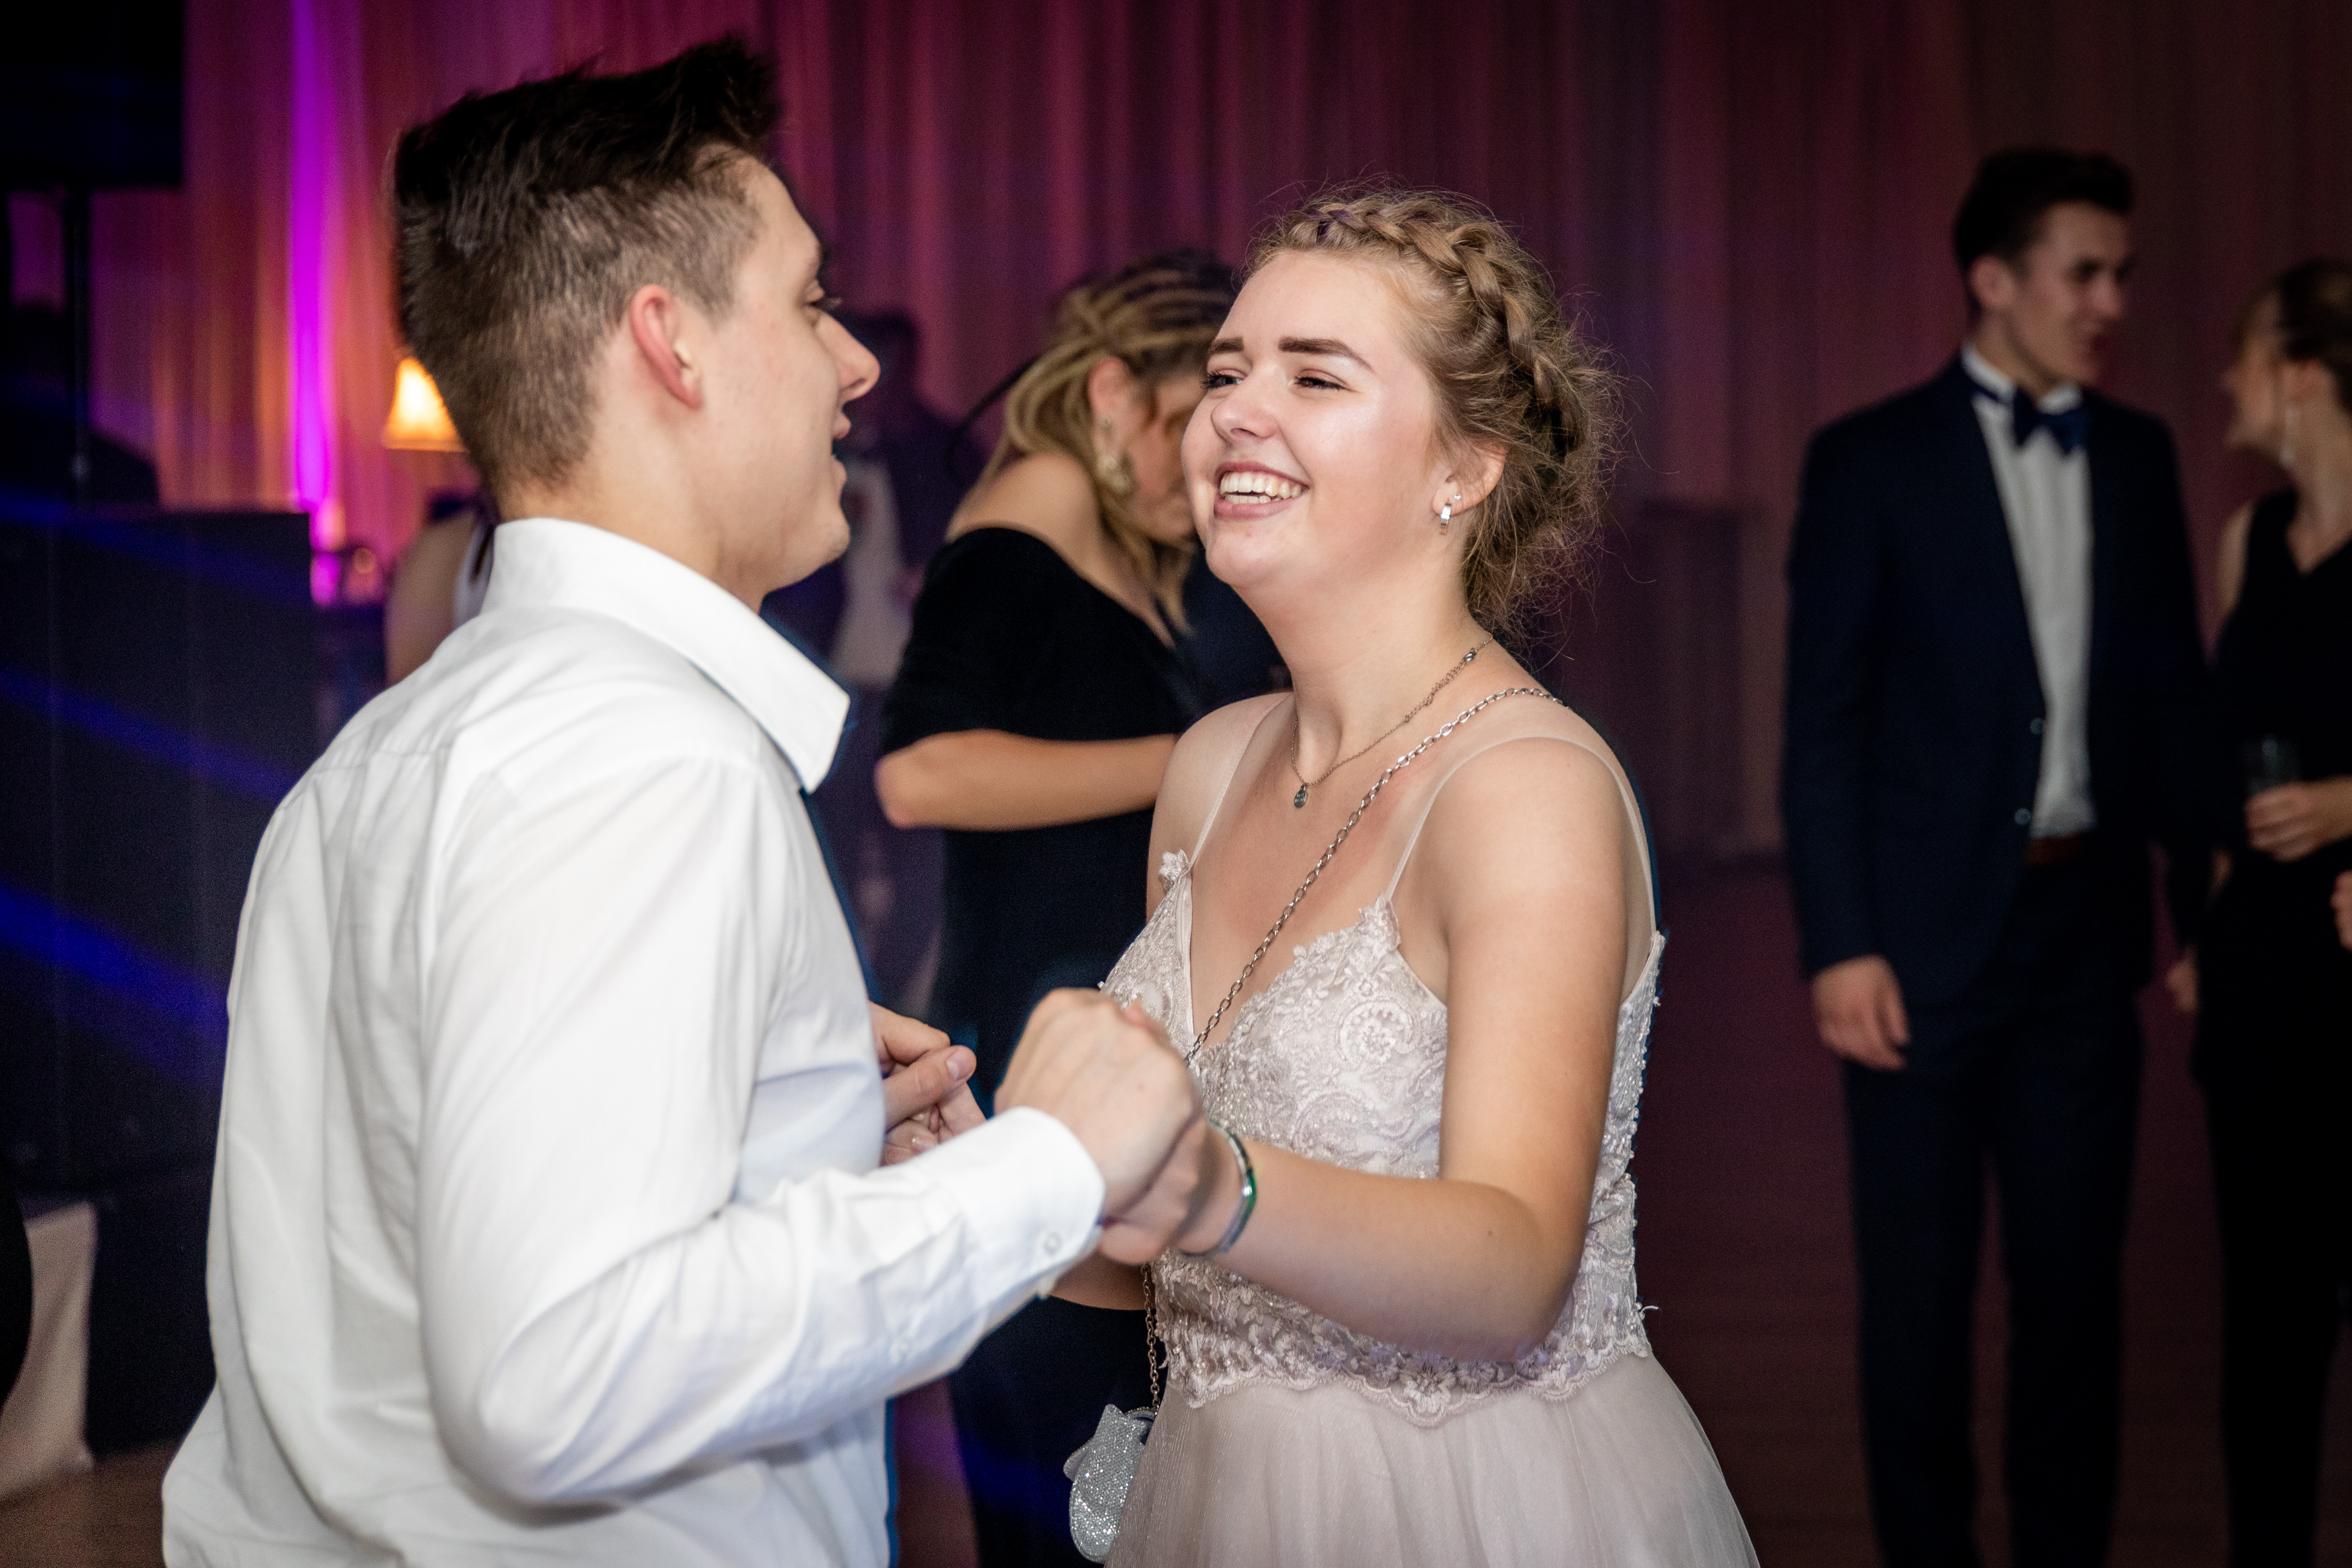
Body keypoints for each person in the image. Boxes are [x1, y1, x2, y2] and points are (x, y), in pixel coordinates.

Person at [159, 42, 1218, 1568]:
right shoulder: (640, 759)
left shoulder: (387, 749)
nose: (856, 364)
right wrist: (1049, 1165)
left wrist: (789, 1149)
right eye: (808, 301)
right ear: (671, 343)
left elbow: (419, 1246)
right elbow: (558, 1370)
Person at [1098, 187, 1756, 1565]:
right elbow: (1169, 1254)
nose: (1235, 412)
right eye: (1224, 372)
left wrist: (1208, 1184)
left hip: (1473, 1505)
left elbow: (1513, 1269)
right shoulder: (1210, 767)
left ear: (1464, 467)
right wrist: (983, 1180)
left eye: (1314, 376)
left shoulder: (1523, 787)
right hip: (1223, 1504)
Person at [1781, 147, 2205, 1565]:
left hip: (2085, 938)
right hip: (1914, 946)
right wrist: (1839, 941)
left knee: (2074, 1293)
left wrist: (2198, 904)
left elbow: (2172, 702)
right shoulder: (1867, 459)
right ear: (1992, 278)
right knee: (1915, 1297)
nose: (2110, 302)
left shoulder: (2138, 456)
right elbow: (1823, 723)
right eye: (2083, 273)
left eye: (2119, 275)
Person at [874, 251, 1230, 1568]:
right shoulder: (1020, 528)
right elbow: (919, 771)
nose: (1215, 467)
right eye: (1197, 422)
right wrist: (1196, 766)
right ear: (1113, 394)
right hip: (1030, 1040)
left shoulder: (1097, 531)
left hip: (1070, 1024)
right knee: (1070, 1468)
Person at [2168, 257, 2352, 1567]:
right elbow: (2226, 761)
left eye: (2242, 355)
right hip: (2261, 976)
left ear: (2298, 376)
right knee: (2266, 1324)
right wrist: (2206, 925)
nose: (2223, 382)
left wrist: (2350, 802)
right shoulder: (2250, 541)